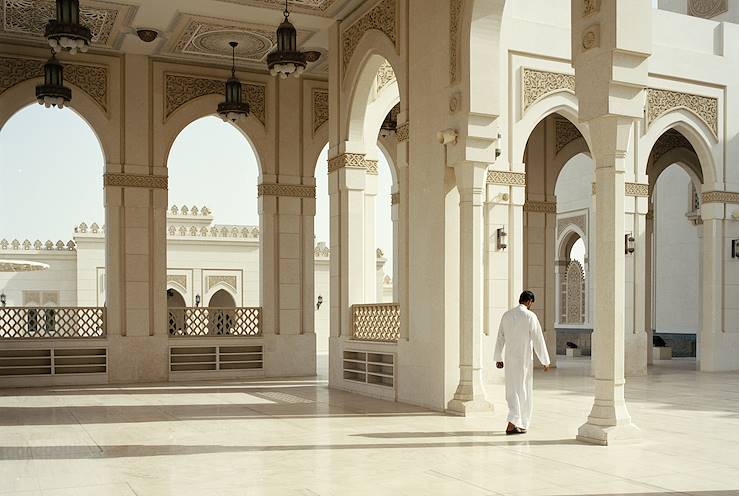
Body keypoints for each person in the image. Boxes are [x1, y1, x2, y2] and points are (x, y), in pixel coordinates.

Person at [494, 290, 550, 435]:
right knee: (523, 391)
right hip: (523, 360)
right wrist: (545, 360)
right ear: (529, 301)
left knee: (512, 390)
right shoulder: (530, 316)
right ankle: (515, 423)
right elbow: (538, 338)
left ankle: (514, 423)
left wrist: (498, 358)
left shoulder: (506, 315)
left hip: (510, 359)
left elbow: (500, 337)